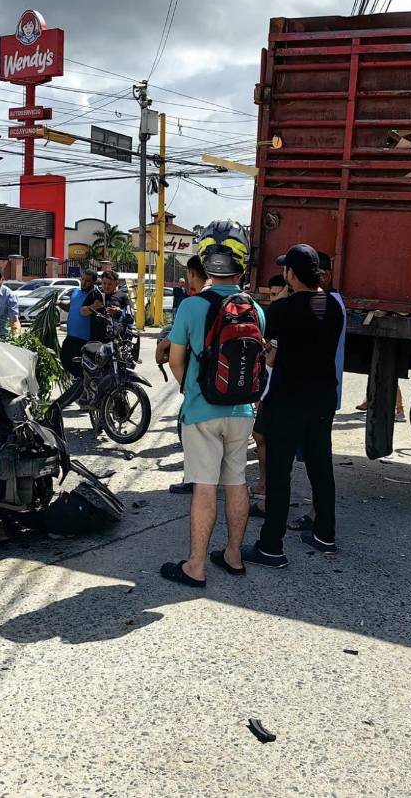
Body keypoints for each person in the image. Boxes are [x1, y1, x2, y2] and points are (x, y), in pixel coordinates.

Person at [161, 220, 263, 586]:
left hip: (203, 411)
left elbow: (175, 360)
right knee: (236, 481)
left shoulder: (191, 307)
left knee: (205, 485)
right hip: (243, 410)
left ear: (205, 260)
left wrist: (191, 391)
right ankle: (234, 556)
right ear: (242, 262)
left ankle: (196, 567)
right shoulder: (255, 308)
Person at [244, 243, 344, 568]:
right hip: (322, 398)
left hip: (287, 399)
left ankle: (271, 547)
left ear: (290, 273)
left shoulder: (281, 310)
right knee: (320, 466)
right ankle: (325, 535)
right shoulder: (333, 306)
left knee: (279, 473)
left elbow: (267, 351)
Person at [157, 255, 208, 497]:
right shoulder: (242, 303)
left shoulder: (192, 304)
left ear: (192, 274)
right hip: (234, 392)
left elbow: (176, 357)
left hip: (199, 386)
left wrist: (187, 387)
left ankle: (193, 479)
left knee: (189, 432)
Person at [249, 273, 290, 507]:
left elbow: (271, 361)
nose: (273, 299)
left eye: (278, 294)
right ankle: (265, 485)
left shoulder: (282, 315)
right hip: (269, 388)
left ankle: (266, 489)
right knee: (261, 437)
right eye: (271, 294)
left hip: (274, 389)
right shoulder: (275, 316)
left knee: (264, 438)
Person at [61, 268, 100, 377]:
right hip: (70, 337)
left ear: (93, 282)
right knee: (65, 360)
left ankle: (82, 386)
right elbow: (71, 306)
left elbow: (97, 308)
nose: (83, 282)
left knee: (80, 368)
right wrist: (59, 303)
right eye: (82, 279)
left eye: (87, 281)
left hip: (84, 341)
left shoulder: (94, 295)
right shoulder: (75, 292)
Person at [93, 269, 133, 341]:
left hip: (116, 338)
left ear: (116, 284)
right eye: (104, 283)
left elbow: (130, 317)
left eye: (110, 284)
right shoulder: (96, 294)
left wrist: (119, 312)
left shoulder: (123, 296)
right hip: (96, 336)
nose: (106, 286)